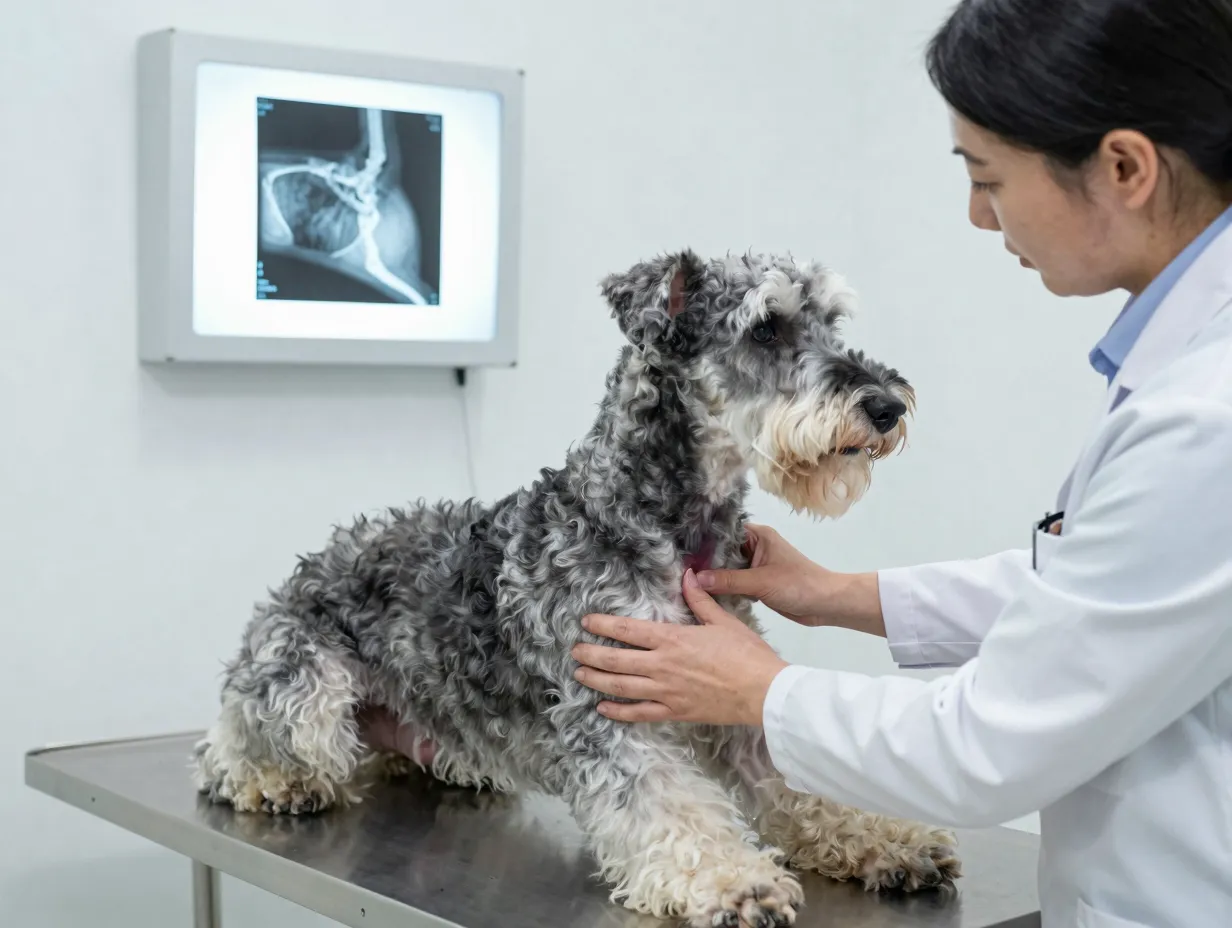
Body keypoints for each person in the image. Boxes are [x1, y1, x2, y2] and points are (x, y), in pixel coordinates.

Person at [565, 1, 1232, 926]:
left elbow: (986, 747)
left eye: (987, 177)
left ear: (1124, 167)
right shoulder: (1190, 372)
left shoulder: (1207, 415)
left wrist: (760, 690)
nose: (974, 214)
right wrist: (839, 596)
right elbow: (1105, 590)